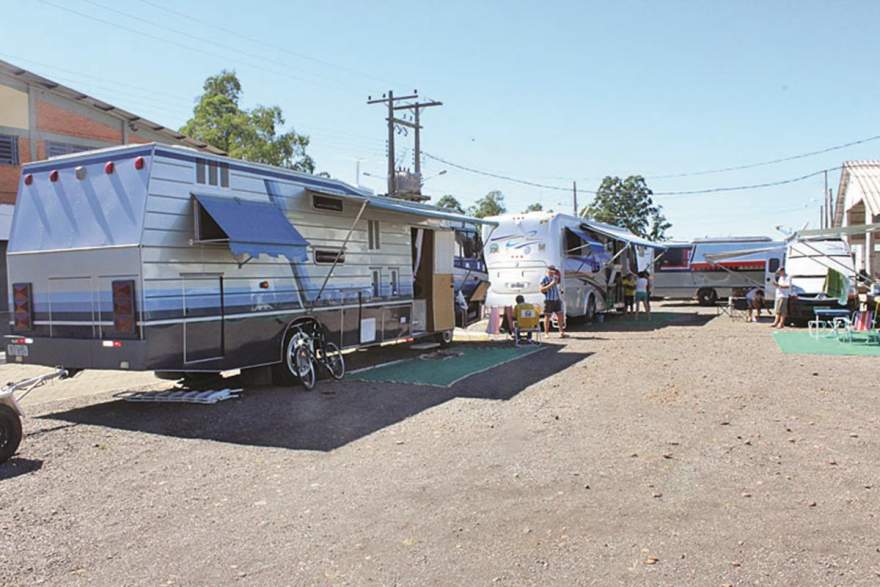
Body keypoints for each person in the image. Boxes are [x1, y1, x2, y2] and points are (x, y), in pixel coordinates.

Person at [540, 265, 566, 337]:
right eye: (551, 271)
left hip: (556, 299)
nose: (552, 272)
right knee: (547, 316)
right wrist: (551, 284)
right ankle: (546, 333)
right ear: (547, 271)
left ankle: (561, 332)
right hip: (549, 300)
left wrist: (560, 290)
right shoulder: (544, 278)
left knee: (560, 315)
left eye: (553, 271)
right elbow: (541, 289)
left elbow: (557, 286)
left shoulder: (555, 277)